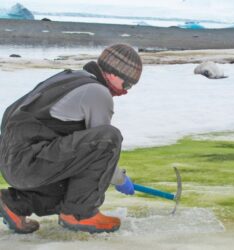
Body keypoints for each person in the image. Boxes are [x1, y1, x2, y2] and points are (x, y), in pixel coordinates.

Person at [0, 44, 142, 234]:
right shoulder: (98, 92)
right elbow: (102, 145)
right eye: (127, 84)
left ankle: (14, 204)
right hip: (29, 161)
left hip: (14, 161)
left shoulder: (71, 78)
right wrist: (119, 178)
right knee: (110, 137)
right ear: (114, 72)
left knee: (74, 188)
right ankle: (80, 214)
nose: (126, 91)